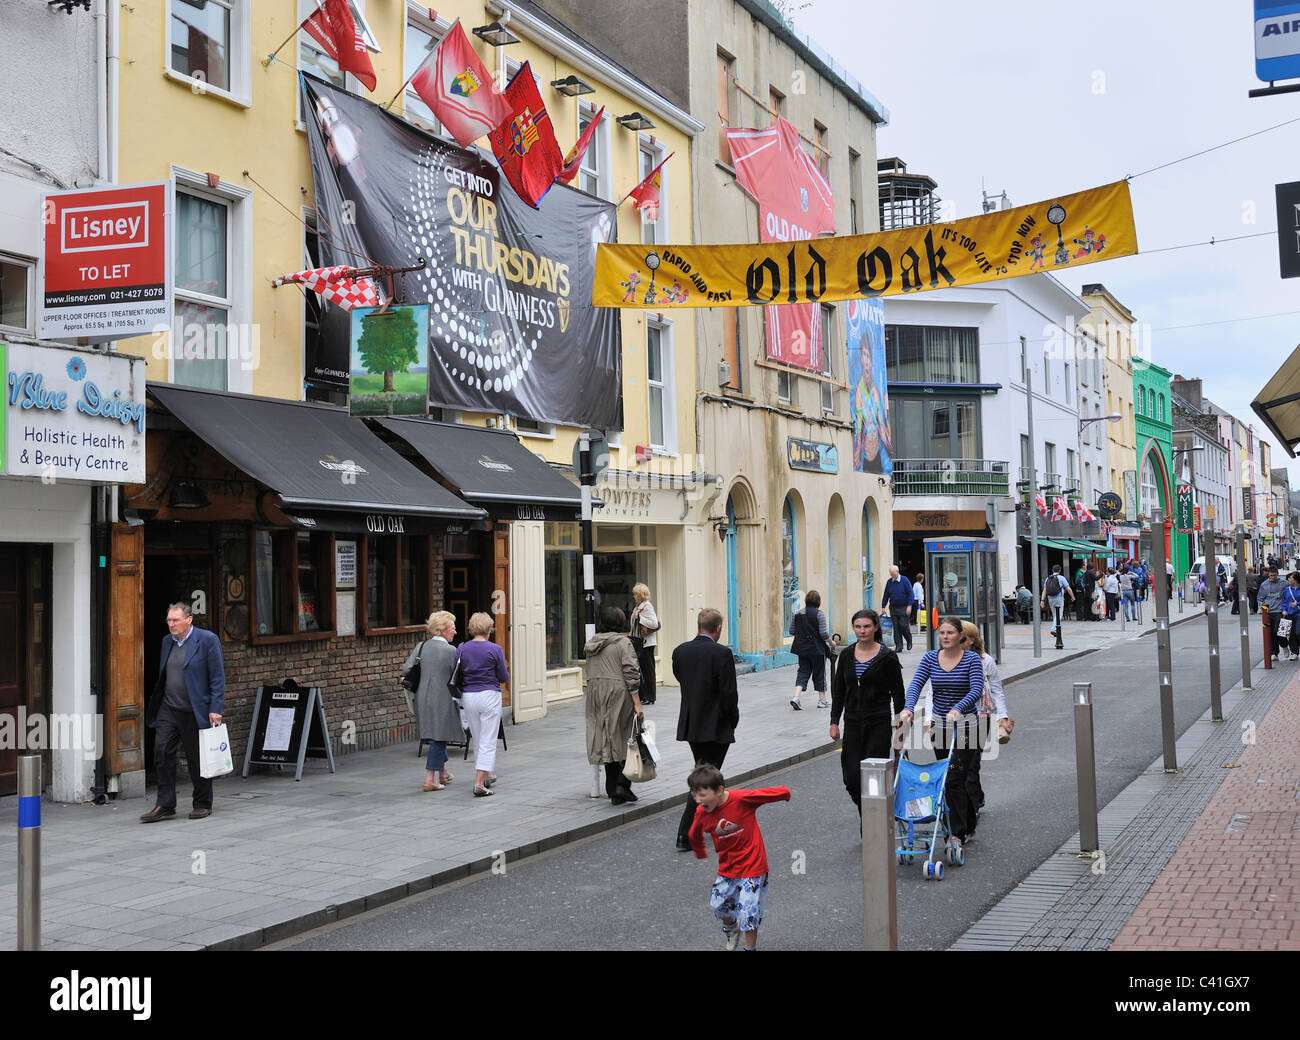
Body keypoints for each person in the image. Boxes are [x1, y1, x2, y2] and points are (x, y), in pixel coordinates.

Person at [899, 617, 984, 857]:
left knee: (955, 776)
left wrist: (958, 707)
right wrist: (908, 708)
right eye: (942, 632)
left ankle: (955, 832)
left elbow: (976, 689)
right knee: (947, 775)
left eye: (950, 632)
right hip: (940, 726)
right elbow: (916, 684)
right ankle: (967, 820)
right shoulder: (930, 659)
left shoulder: (971, 660)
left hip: (968, 725)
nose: (945, 636)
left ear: (960, 636)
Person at [686, 764, 790, 951]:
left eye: (702, 795)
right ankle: (731, 928)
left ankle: (750, 949)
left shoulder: (741, 799)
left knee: (749, 912)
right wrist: (699, 850)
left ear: (720, 790)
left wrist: (784, 793)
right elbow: (694, 832)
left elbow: (762, 794)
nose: (698, 800)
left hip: (753, 865)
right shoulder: (702, 812)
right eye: (694, 795)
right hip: (728, 867)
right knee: (718, 905)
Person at [141, 602, 226, 822]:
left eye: (175, 620)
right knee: (161, 753)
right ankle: (165, 804)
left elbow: (217, 677)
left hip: (194, 709)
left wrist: (216, 708)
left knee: (196, 758)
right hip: (169, 707)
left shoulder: (207, 640)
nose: (171, 624)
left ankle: (202, 803)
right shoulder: (166, 642)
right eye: (168, 620)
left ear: (189, 620)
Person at [671, 608, 739, 851]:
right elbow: (728, 692)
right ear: (718, 628)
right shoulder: (722, 654)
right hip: (716, 725)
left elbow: (682, 679)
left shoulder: (680, 652)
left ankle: (710, 824)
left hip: (692, 724)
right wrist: (733, 719)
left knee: (706, 773)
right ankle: (686, 834)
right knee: (706, 780)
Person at [828, 609, 904, 816]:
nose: (862, 631)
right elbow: (839, 691)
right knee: (852, 778)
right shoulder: (846, 655)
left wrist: (901, 725)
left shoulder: (887, 657)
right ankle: (869, 813)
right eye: (858, 627)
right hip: (852, 722)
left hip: (878, 722)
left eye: (867, 626)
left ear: (876, 627)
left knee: (873, 776)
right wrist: (834, 721)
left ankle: (871, 823)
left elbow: (898, 694)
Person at [584, 605, 644, 805]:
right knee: (626, 737)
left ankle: (613, 789)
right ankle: (622, 784)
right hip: (618, 693)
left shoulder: (592, 643)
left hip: (596, 693)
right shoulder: (622, 643)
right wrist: (637, 703)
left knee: (606, 738)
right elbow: (630, 672)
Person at [958, 621, 1011, 834]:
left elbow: (997, 690)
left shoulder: (986, 661)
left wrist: (1003, 717)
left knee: (971, 763)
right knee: (958, 764)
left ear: (971, 640)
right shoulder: (946, 659)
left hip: (981, 716)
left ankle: (972, 805)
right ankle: (975, 796)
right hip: (954, 718)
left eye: (961, 638)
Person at [404, 611, 462, 792]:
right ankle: (430, 778)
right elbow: (460, 675)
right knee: (439, 736)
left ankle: (443, 773)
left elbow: (407, 668)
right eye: (453, 628)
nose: (455, 632)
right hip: (442, 698)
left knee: (437, 732)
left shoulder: (421, 647)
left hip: (422, 698)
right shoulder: (452, 651)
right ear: (443, 631)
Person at [456, 612, 509, 797]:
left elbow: (457, 672)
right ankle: (479, 782)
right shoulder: (494, 649)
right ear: (489, 629)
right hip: (489, 695)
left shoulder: (462, 648)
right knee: (488, 740)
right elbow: (503, 677)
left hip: (468, 696)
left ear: (471, 628)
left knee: (478, 739)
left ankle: (486, 774)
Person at [789, 589, 830, 710]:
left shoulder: (797, 613)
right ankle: (822, 701)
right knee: (819, 673)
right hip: (817, 649)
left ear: (806, 600)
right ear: (818, 601)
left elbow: (792, 631)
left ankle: (796, 697)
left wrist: (803, 632)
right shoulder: (819, 614)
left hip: (802, 648)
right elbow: (823, 634)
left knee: (803, 671)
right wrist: (831, 642)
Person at [628, 583, 661, 706]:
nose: (634, 596)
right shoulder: (638, 606)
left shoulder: (646, 606)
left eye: (635, 594)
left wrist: (640, 617)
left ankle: (650, 696)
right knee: (640, 670)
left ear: (641, 595)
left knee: (648, 670)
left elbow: (654, 624)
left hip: (646, 643)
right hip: (638, 642)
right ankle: (642, 695)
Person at [880, 565, 914, 652]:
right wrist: (883, 606)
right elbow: (886, 595)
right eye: (890, 574)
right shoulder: (889, 582)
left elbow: (911, 594)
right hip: (893, 608)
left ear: (897, 572)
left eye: (893, 574)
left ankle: (909, 639)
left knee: (903, 625)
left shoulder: (904, 580)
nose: (892, 576)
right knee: (896, 627)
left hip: (904, 607)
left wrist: (909, 605)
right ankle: (899, 646)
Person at [1041, 564, 1075, 649]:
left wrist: (1042, 600)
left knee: (1055, 615)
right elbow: (1068, 589)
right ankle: (1054, 629)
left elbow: (1044, 590)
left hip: (1050, 598)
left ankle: (1054, 628)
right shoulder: (1061, 578)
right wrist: (1072, 597)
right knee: (1058, 615)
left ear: (1052, 570)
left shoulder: (1048, 578)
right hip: (1059, 598)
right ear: (1059, 570)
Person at [1258, 566, 1287, 662]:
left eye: (1274, 575)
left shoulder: (1283, 583)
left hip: (1279, 611)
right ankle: (1274, 653)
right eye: (1271, 575)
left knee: (1278, 632)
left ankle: (1284, 645)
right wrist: (1262, 607)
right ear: (1268, 575)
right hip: (1268, 612)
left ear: (1277, 574)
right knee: (1270, 633)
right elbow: (1260, 598)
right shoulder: (1264, 585)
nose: (1273, 577)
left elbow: (1290, 592)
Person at [1282, 573, 1300, 662]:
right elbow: (1284, 601)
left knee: (1298, 632)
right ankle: (1294, 652)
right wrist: (1284, 610)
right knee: (1290, 634)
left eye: (1290, 578)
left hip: (1298, 614)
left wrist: (1297, 603)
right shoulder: (1287, 590)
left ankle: (1297, 647)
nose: (1288, 579)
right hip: (1289, 614)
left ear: (1295, 580)